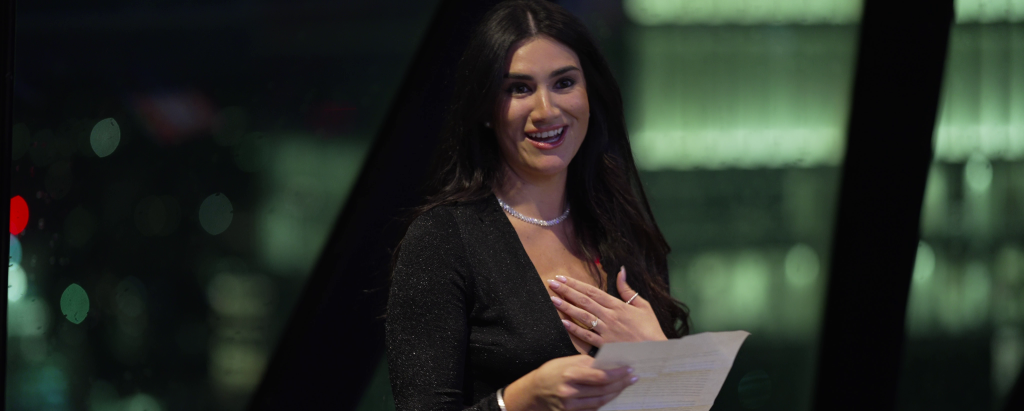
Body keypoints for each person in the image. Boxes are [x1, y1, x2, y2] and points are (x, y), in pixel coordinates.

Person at [386, 1, 690, 410]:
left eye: (564, 83)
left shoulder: (623, 230)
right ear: (488, 110)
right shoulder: (443, 242)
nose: (547, 111)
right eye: (519, 89)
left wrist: (658, 358)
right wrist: (518, 399)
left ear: (589, 93)